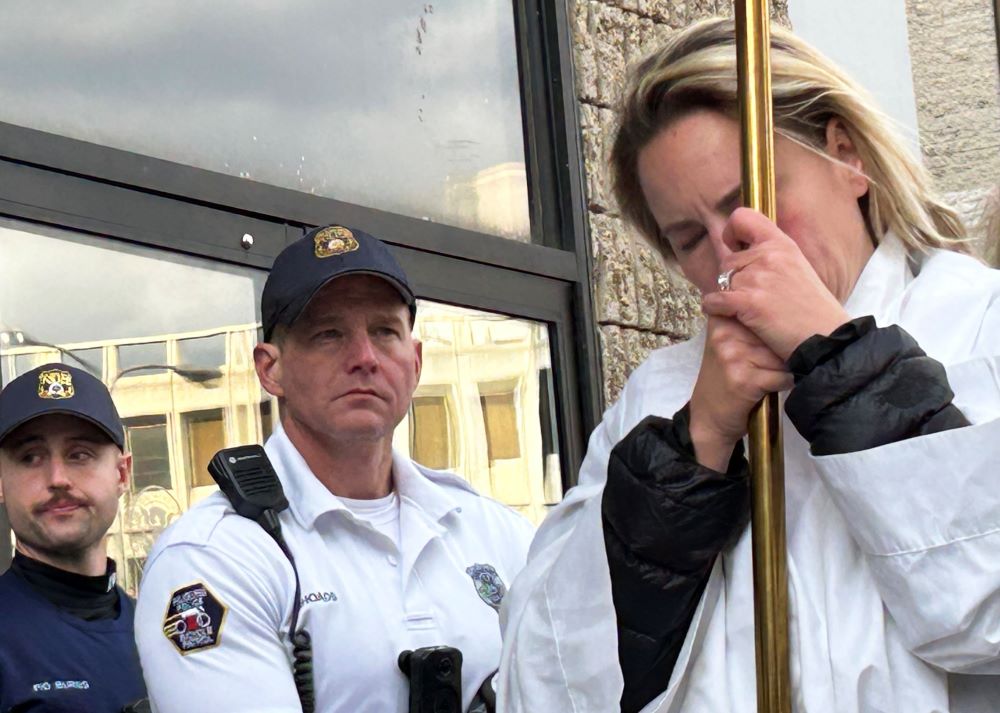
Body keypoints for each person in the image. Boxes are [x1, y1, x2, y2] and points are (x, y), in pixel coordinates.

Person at [497, 18, 1000, 713]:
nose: (727, 250)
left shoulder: (979, 324)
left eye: (747, 202)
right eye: (686, 238)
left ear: (846, 154)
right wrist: (691, 452)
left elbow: (984, 614)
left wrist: (839, 355)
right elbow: (546, 680)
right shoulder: (663, 396)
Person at [135, 225, 535, 712]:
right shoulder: (214, 557)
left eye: (385, 331)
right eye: (329, 334)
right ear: (270, 369)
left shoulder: (495, 534)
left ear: (415, 360)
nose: (364, 358)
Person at [0, 364, 147, 712]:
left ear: (122, 473)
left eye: (80, 454)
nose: (58, 478)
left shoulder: (160, 630)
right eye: (30, 457)